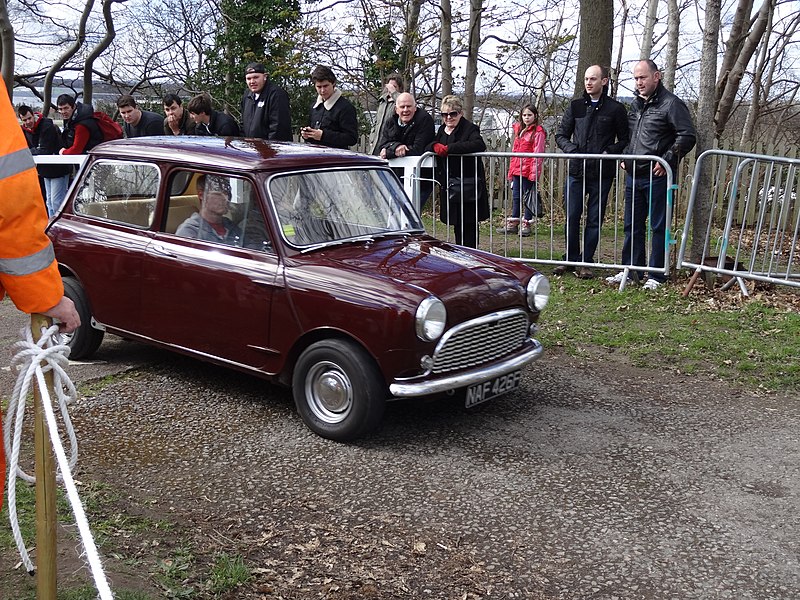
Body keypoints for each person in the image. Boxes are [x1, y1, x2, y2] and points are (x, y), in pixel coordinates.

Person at [606, 60, 696, 289]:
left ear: (656, 77)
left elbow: (686, 136)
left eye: (642, 78)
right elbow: (630, 137)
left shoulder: (671, 104)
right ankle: (631, 270)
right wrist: (626, 156)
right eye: (636, 78)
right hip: (634, 176)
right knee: (631, 225)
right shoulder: (636, 105)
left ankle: (657, 275)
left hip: (658, 176)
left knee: (658, 226)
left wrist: (667, 159)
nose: (639, 82)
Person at [555, 65, 630, 279]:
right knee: (572, 216)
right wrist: (573, 150)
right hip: (577, 172)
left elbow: (624, 139)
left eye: (593, 79)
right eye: (586, 79)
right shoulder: (575, 106)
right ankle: (570, 259)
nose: (588, 83)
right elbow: (561, 135)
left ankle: (586, 261)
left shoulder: (615, 109)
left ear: (604, 81)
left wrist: (609, 151)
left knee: (594, 219)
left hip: (601, 173)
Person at [426, 95, 489, 248]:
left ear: (460, 113)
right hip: (450, 184)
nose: (449, 117)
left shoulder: (469, 128)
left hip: (468, 184)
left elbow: (478, 144)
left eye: (453, 114)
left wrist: (449, 149)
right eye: (444, 114)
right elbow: (429, 144)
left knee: (469, 224)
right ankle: (461, 251)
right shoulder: (442, 129)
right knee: (457, 223)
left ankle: (472, 254)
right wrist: (435, 145)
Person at [498, 104, 546, 238]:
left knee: (528, 197)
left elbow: (538, 153)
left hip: (528, 169)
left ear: (535, 116)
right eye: (524, 115)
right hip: (516, 169)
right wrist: (511, 171)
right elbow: (514, 152)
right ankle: (514, 222)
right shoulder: (519, 130)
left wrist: (533, 173)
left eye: (529, 115)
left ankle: (527, 223)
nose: (526, 118)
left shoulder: (538, 132)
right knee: (516, 196)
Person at [18, 105, 72, 217]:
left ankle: (59, 226)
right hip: (45, 170)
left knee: (57, 202)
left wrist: (28, 152)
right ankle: (52, 228)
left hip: (59, 169)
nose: (28, 122)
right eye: (24, 120)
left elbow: (45, 150)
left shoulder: (46, 126)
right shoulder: (24, 131)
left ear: (33, 115)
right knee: (49, 202)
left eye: (29, 118)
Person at [301, 65, 358, 149]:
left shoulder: (346, 107)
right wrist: (307, 134)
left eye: (326, 86)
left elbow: (351, 138)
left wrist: (323, 136)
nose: (323, 90)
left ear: (333, 83)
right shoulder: (314, 106)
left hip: (336, 158)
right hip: (315, 155)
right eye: (319, 87)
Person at [175, 174, 242, 244]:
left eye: (228, 193)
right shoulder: (189, 232)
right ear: (201, 195)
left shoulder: (232, 227)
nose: (226, 198)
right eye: (219, 193)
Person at [240, 62, 292, 141]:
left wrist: (268, 150)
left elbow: (278, 129)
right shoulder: (247, 96)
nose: (252, 81)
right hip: (250, 149)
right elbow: (243, 124)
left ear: (265, 77)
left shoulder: (276, 95)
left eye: (256, 77)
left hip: (271, 150)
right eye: (249, 79)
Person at [376, 92, 435, 159]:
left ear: (415, 107)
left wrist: (390, 152)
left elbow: (418, 149)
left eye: (409, 106)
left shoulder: (424, 120)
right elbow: (382, 146)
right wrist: (397, 147)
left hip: (420, 167)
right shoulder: (390, 123)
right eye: (402, 107)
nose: (405, 110)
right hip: (394, 168)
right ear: (396, 110)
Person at [369, 73, 404, 155]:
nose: (391, 89)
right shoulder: (382, 101)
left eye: (394, 87)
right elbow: (376, 122)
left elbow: (402, 102)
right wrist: (372, 138)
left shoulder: (400, 101)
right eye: (390, 86)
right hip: (375, 144)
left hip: (389, 144)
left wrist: (394, 93)